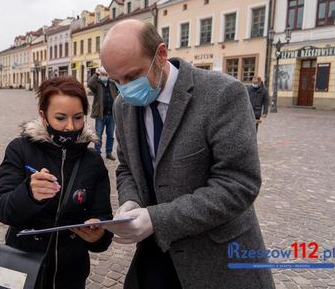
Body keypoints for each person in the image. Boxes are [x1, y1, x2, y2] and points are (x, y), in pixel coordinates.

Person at [101, 20, 275, 289]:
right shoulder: (123, 106)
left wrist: (157, 219)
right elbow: (126, 168)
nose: (124, 88)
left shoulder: (222, 94)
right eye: (116, 80)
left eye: (133, 76)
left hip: (217, 262)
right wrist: (131, 202)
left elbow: (239, 184)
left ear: (161, 54)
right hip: (154, 260)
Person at [0, 77, 113, 289]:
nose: (70, 127)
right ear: (43, 116)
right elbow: (0, 208)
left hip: (70, 273)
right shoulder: (20, 149)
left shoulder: (93, 161)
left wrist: (98, 235)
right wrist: (29, 194)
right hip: (22, 267)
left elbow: (104, 223)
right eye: (60, 117)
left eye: (78, 117)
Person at [87, 67, 119, 160]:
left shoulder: (113, 84)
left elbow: (120, 83)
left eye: (105, 75)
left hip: (111, 114)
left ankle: (109, 152)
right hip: (101, 115)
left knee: (110, 135)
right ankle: (97, 153)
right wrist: (96, 74)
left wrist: (112, 73)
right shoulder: (97, 85)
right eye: (102, 75)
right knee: (98, 135)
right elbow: (90, 83)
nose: (104, 77)